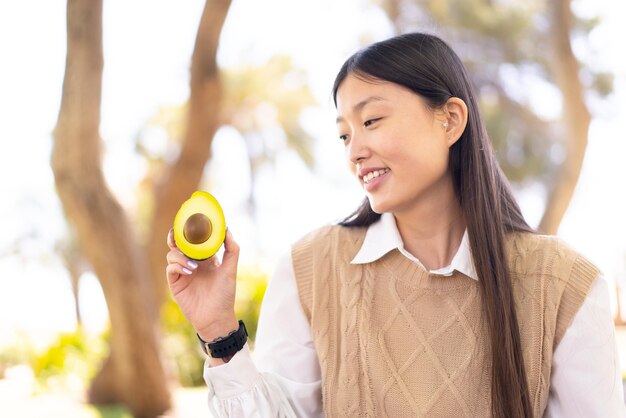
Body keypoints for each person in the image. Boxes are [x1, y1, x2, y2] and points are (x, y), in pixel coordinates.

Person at [165, 32, 626, 417]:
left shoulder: (564, 284)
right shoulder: (311, 268)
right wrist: (218, 330)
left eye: (372, 120)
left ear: (450, 119)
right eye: (345, 134)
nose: (354, 150)